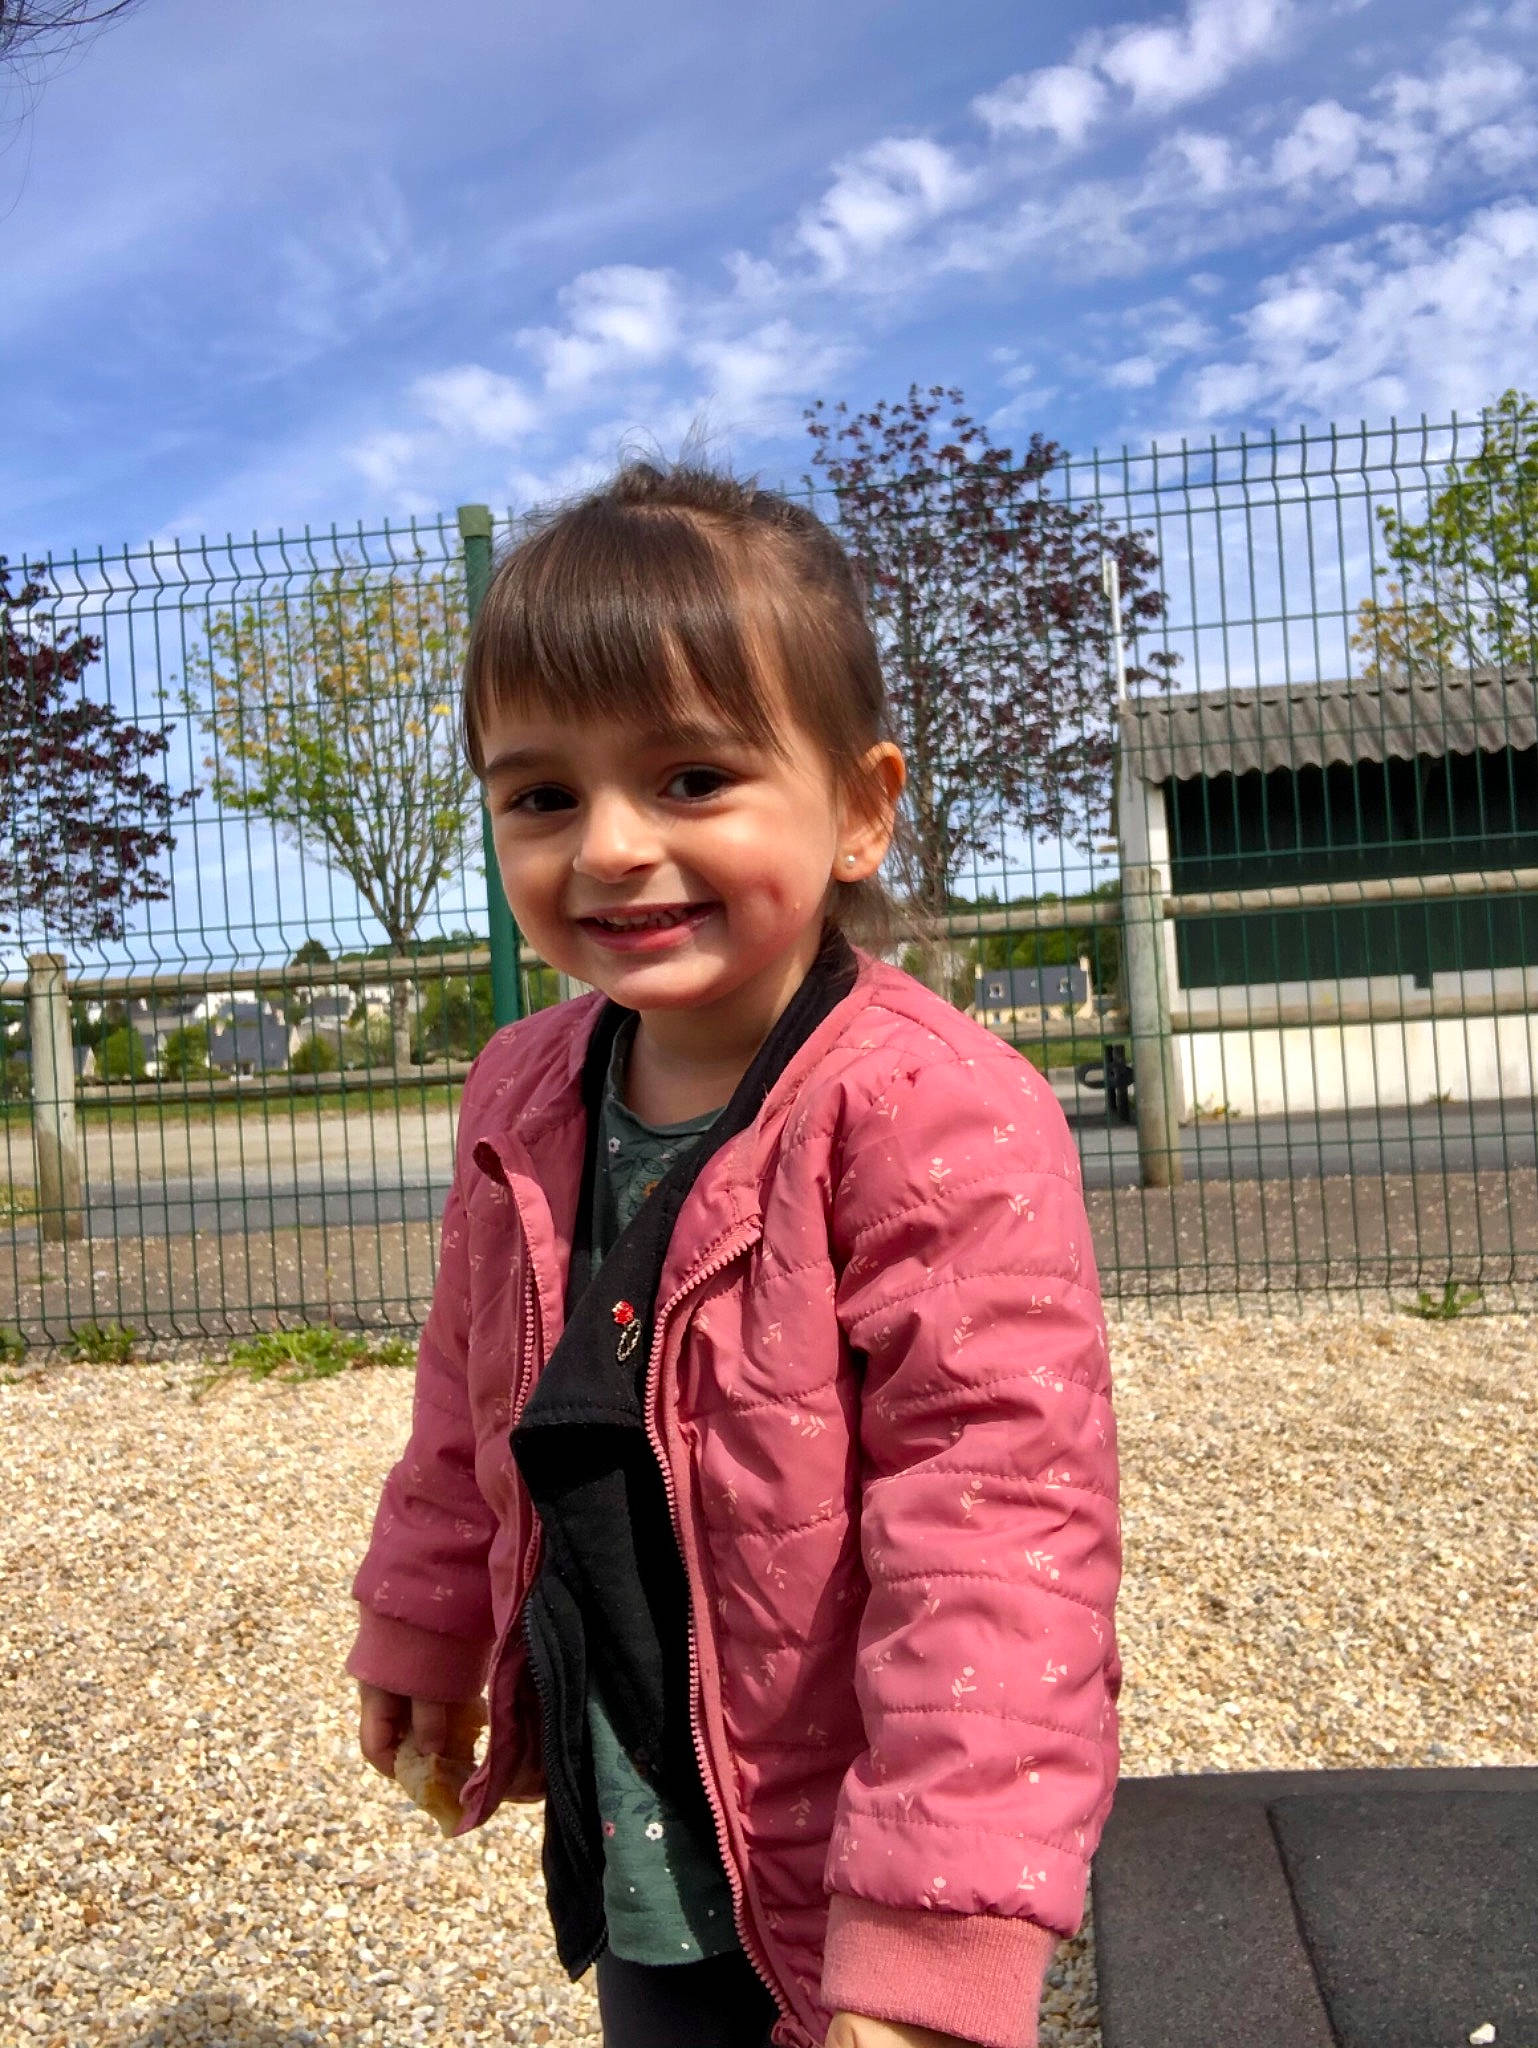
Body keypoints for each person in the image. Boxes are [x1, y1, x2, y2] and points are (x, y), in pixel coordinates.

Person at [347, 462, 1121, 2048]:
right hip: (638, 1778)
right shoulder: (521, 1087)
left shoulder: (928, 1111)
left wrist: (932, 1931)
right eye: (541, 796)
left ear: (859, 810)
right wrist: (427, 1620)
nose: (609, 845)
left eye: (691, 776)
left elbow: (995, 1528)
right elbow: (468, 1384)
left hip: (847, 1826)